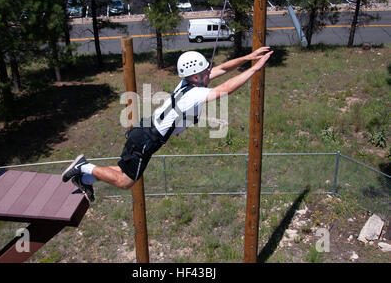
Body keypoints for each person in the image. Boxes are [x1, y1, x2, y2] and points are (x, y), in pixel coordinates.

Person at [61, 47, 273, 201]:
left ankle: (85, 179)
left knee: (122, 170)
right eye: (206, 71)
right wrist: (255, 69)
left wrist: (248, 57)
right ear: (197, 76)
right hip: (148, 139)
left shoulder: (185, 83)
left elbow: (224, 69)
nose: (211, 72)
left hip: (143, 130)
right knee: (126, 181)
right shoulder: (195, 94)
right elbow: (225, 88)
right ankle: (83, 166)